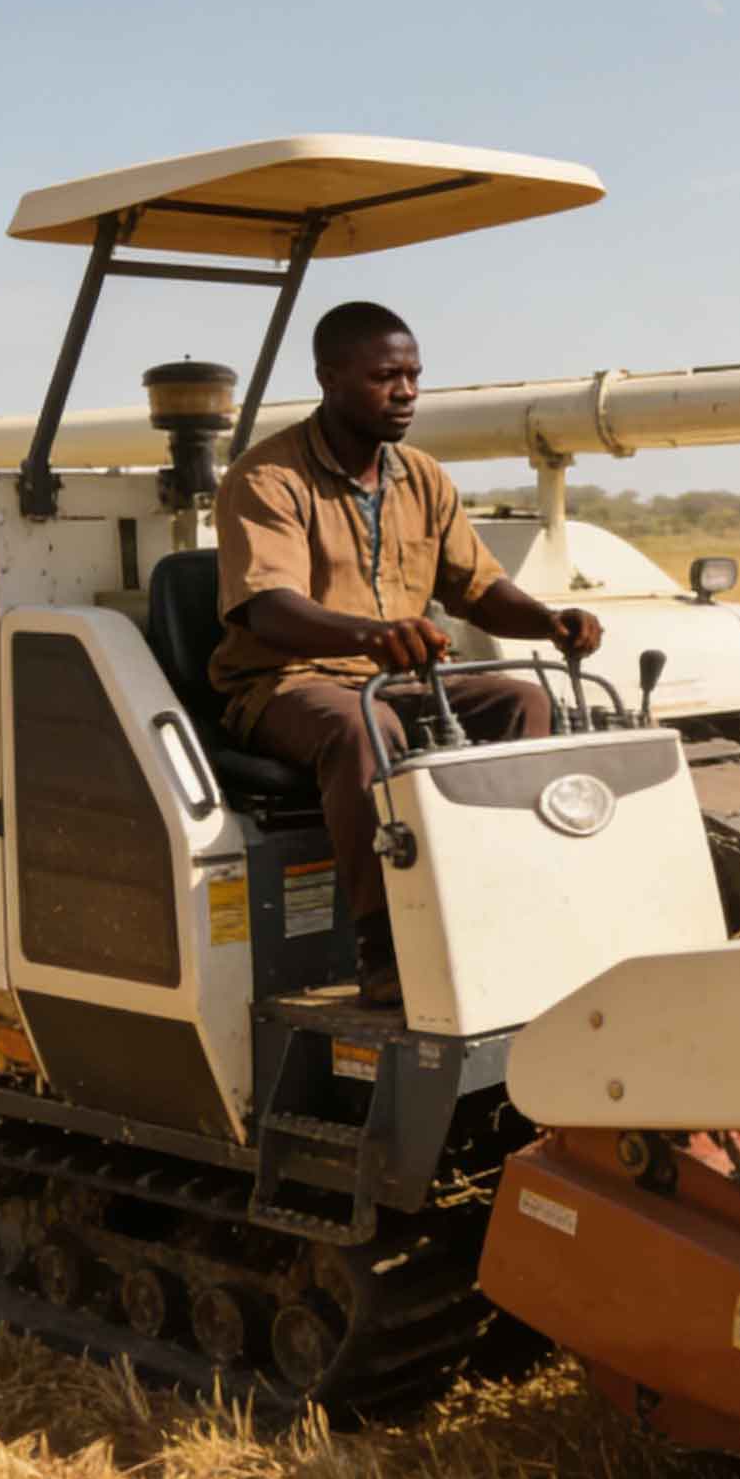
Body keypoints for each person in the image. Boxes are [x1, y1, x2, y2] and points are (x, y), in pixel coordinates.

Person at [209, 300, 602, 1005]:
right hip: (286, 686)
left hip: (397, 681)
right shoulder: (267, 478)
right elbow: (269, 609)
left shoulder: (422, 477)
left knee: (524, 702)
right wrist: (370, 636)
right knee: (363, 728)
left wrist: (549, 621)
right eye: (385, 377)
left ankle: (510, 911)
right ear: (329, 378)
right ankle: (385, 948)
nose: (406, 392)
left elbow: (478, 589)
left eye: (414, 375)